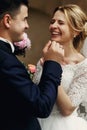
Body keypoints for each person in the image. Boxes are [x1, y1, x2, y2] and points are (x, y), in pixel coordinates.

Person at [0, 0, 63, 130]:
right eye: (24, 19)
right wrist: (53, 63)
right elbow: (42, 106)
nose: (27, 25)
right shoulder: (5, 60)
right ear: (7, 20)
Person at [33, 4, 87, 130]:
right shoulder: (45, 57)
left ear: (75, 31)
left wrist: (51, 67)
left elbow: (67, 109)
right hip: (36, 122)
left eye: (60, 23)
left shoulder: (83, 66)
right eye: (52, 21)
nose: (53, 26)